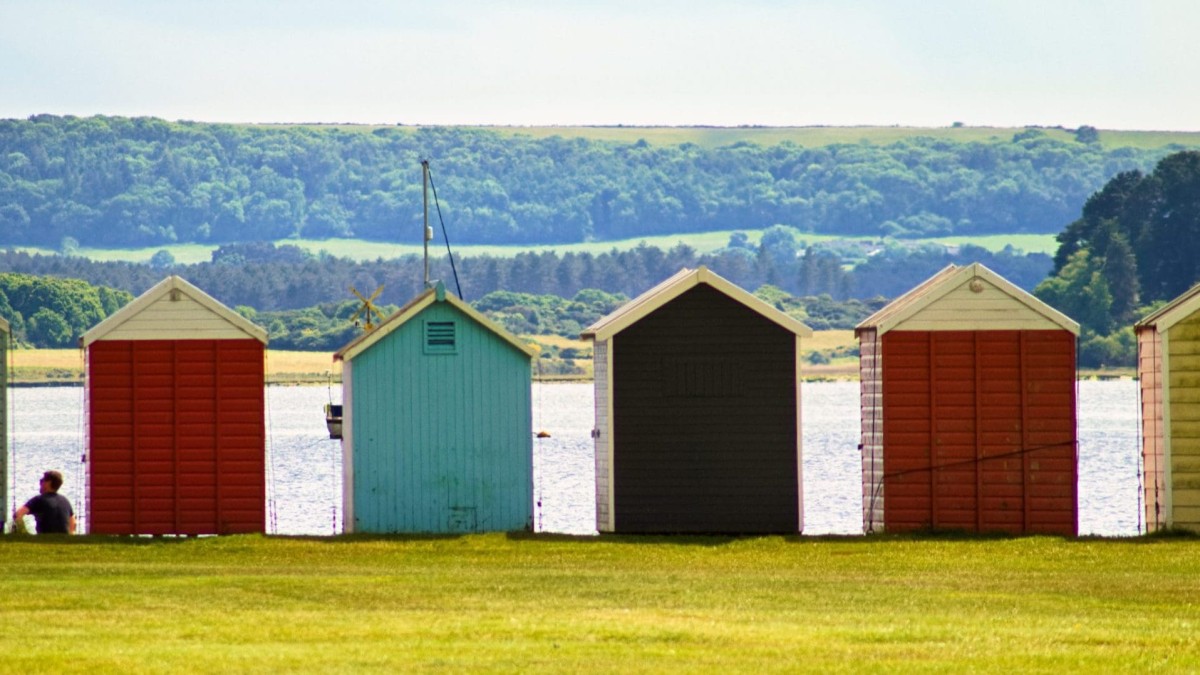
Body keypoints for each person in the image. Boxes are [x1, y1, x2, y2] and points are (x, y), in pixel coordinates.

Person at [13, 470, 76, 534]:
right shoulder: (65, 501)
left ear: (48, 483)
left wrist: (24, 533)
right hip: (64, 538)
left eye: (41, 481)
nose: (40, 483)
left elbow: (18, 514)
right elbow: (72, 525)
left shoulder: (38, 499)